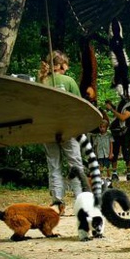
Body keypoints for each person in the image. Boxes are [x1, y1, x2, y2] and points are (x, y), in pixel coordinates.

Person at [37, 50, 85, 208]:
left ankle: (58, 202)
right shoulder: (69, 81)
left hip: (46, 128)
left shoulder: (39, 82)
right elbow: (79, 105)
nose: (67, 68)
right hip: (67, 127)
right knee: (75, 164)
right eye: (66, 65)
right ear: (59, 65)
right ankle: (80, 200)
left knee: (54, 165)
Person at [105, 84, 130, 181]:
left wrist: (111, 109)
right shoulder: (122, 102)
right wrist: (112, 106)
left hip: (125, 132)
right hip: (115, 132)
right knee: (114, 153)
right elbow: (118, 112)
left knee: (126, 153)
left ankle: (129, 173)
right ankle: (114, 174)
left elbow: (123, 117)